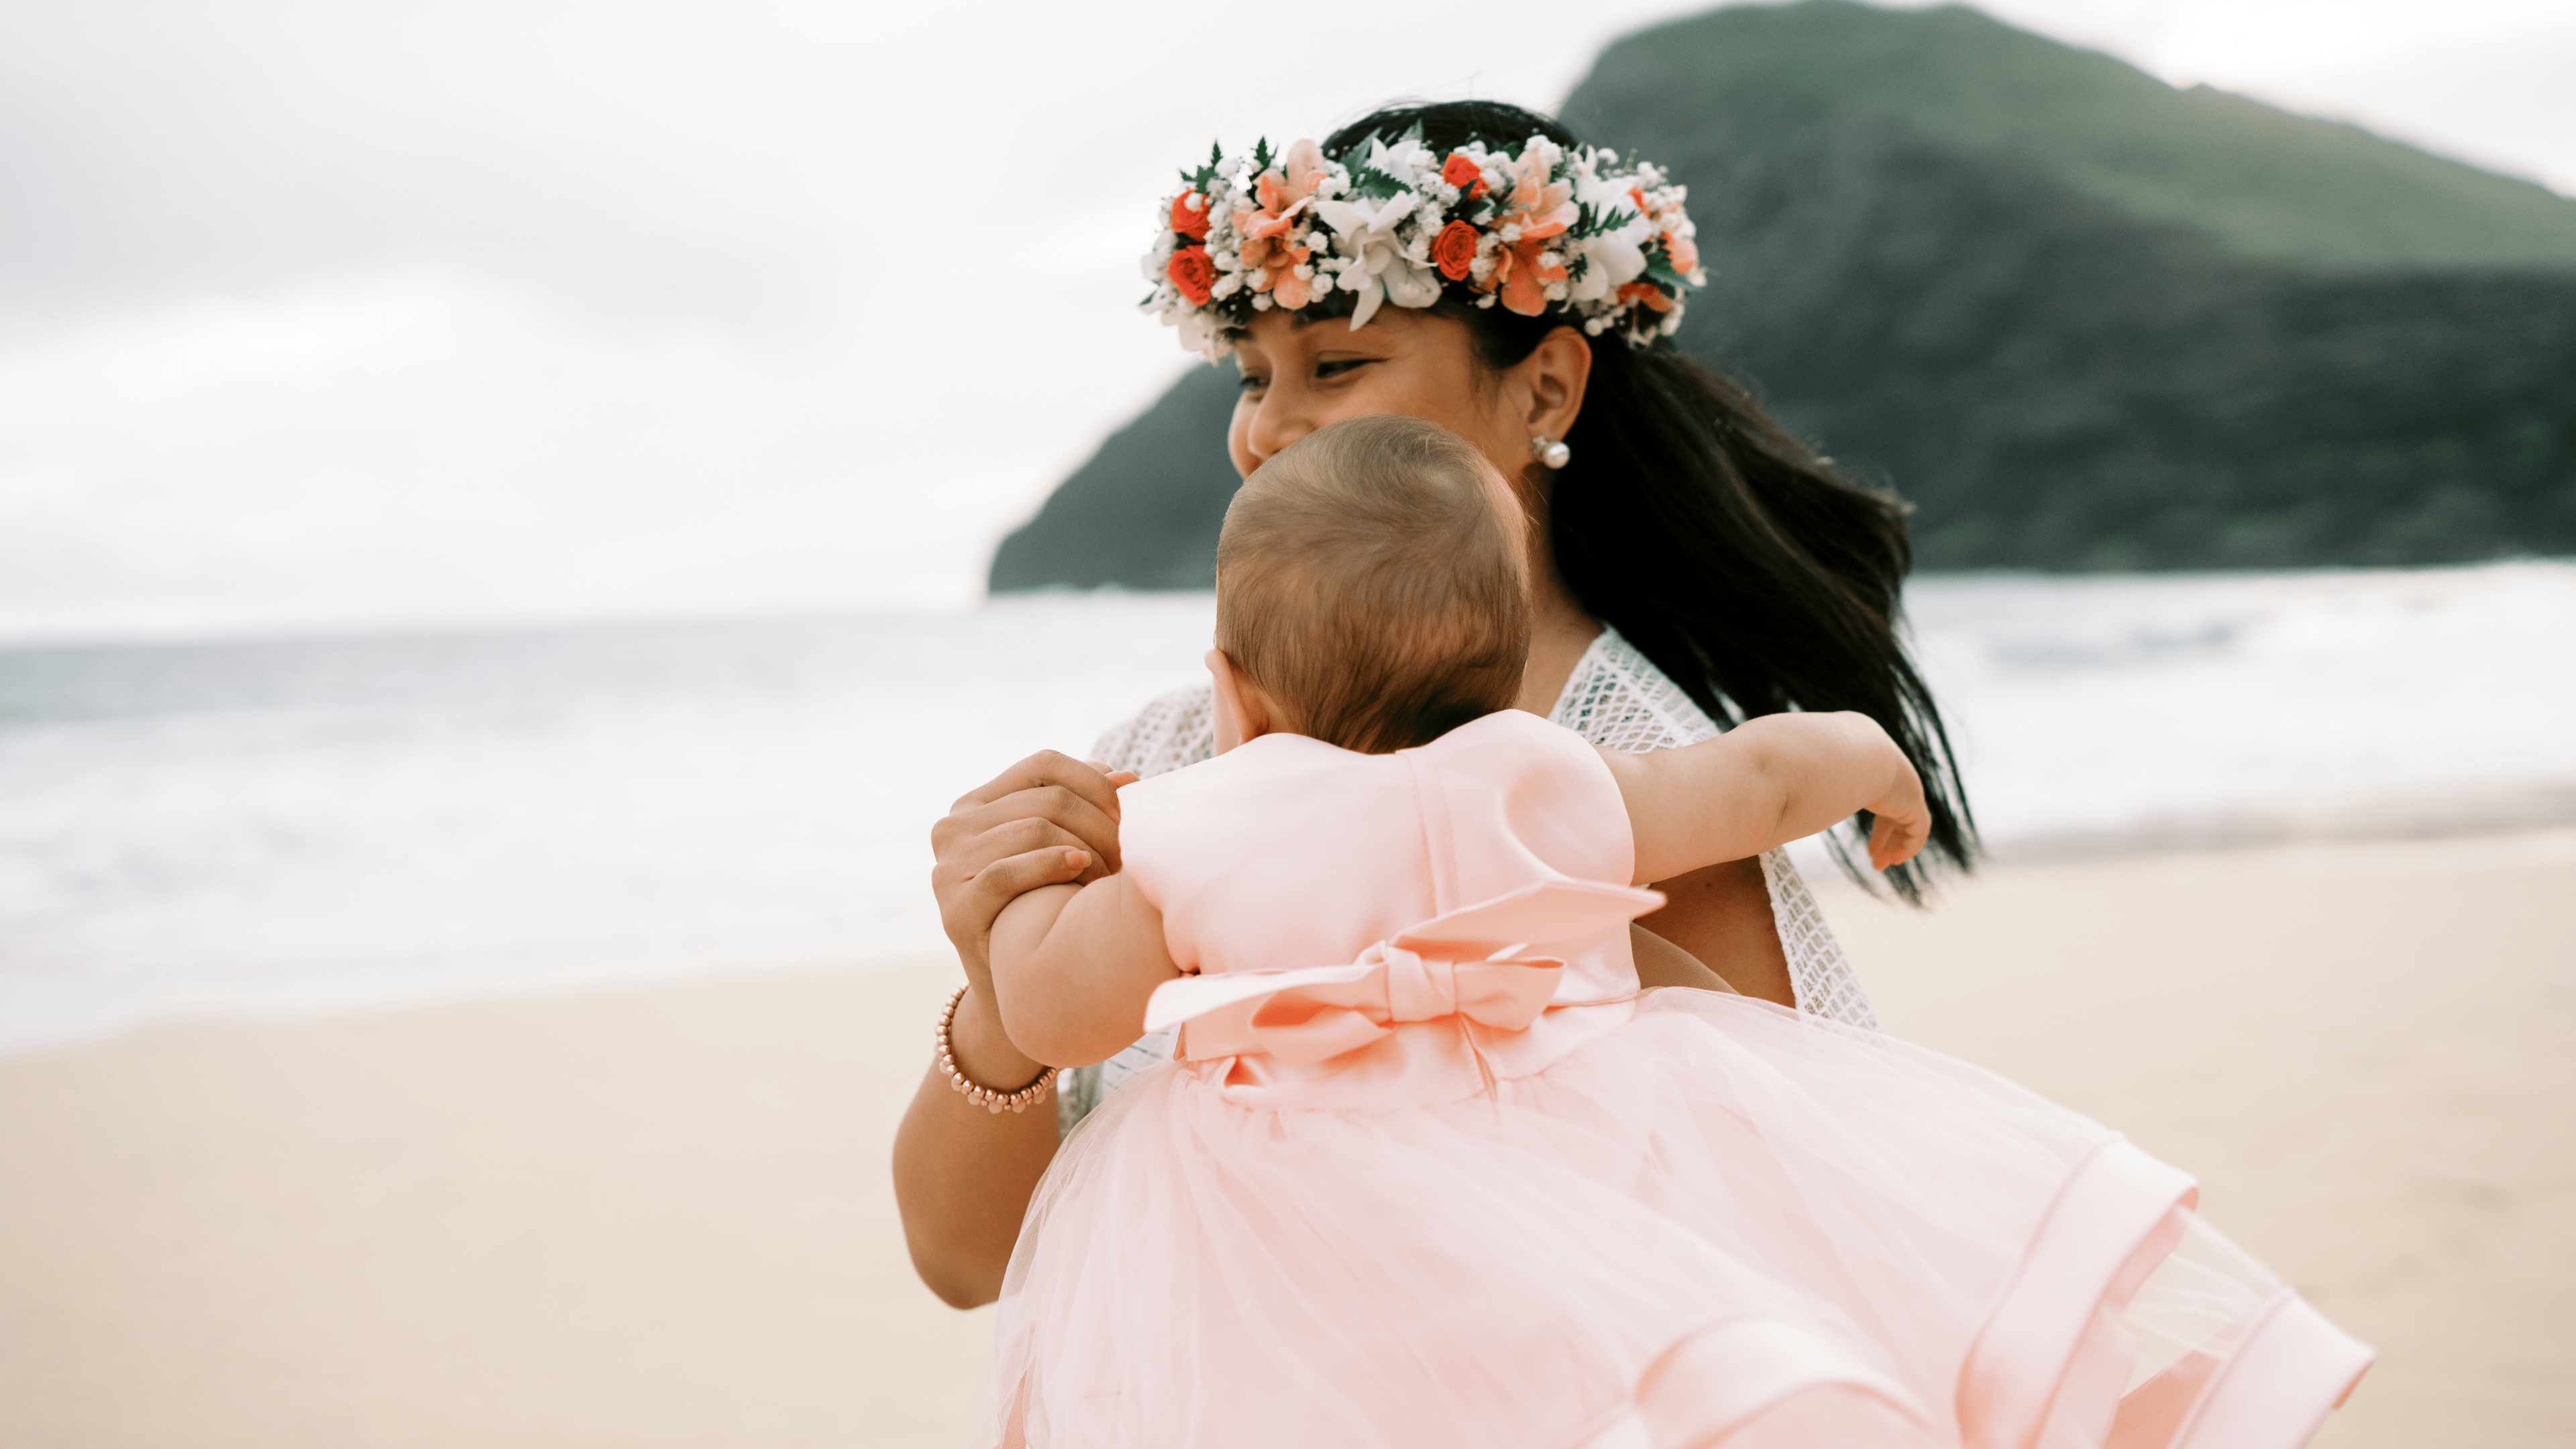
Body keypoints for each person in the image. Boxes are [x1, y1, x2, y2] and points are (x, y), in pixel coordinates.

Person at [968, 414, 2369, 1448]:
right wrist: (1873, 758)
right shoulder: (1543, 780)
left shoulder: (1194, 831)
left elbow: (1052, 1013)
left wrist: (1027, 892)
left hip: (1279, 1233)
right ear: (1509, 666)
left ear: (1233, 691)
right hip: (1572, 1175)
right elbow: (1753, 781)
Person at [895, 99, 1973, 1309]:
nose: (1266, 430)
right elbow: (965, 1262)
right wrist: (998, 996)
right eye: (1252, 377)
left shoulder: (1631, 795)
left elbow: (1776, 1258)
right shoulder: (1156, 761)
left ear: (1545, 393)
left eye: (1335, 365)